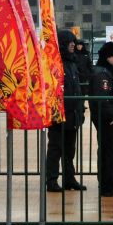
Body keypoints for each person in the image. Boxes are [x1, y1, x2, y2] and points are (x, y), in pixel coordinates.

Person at [45, 30, 87, 192]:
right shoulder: (54, 63)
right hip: (58, 114)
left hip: (72, 115)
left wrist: (80, 111)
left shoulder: (72, 63)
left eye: (73, 41)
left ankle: (70, 179)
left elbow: (76, 89)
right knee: (56, 148)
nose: (73, 44)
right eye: (69, 41)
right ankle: (52, 180)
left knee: (70, 149)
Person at [90, 42, 113, 197]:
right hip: (107, 121)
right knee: (110, 152)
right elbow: (102, 99)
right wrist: (111, 116)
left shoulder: (107, 72)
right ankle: (108, 186)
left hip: (109, 119)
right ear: (108, 57)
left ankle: (110, 184)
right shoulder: (102, 74)